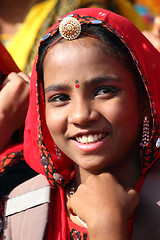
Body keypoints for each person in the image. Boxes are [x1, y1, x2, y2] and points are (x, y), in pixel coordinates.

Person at [0, 7, 160, 240]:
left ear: (145, 99)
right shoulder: (20, 208)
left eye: (104, 91)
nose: (81, 115)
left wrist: (107, 225)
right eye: (60, 98)